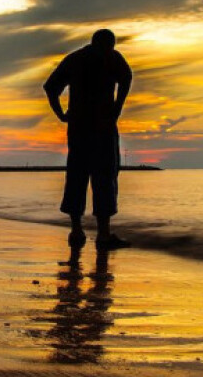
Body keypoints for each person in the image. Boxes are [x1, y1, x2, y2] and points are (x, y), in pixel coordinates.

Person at [43, 29, 132, 250]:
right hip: (99, 127)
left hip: (82, 127)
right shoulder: (109, 58)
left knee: (81, 176)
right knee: (103, 177)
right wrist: (116, 109)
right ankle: (98, 234)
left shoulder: (76, 59)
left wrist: (61, 113)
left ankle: (80, 231)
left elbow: (51, 87)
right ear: (106, 44)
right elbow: (127, 78)